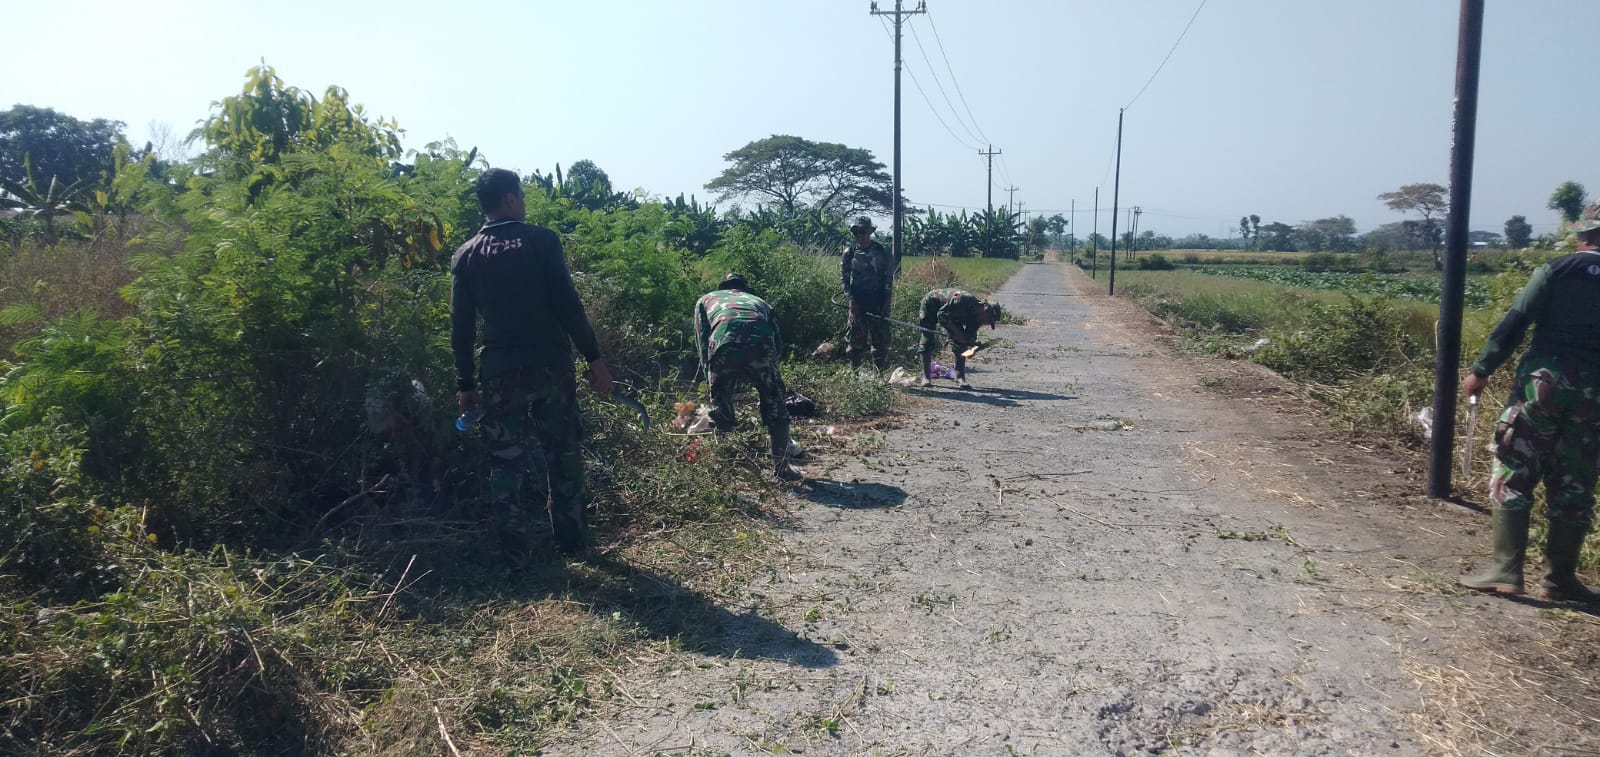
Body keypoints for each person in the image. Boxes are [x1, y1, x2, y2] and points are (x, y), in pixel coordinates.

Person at [451, 168, 614, 559]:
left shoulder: (466, 254)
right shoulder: (541, 240)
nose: (523, 202)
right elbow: (568, 305)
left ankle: (515, 555)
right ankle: (572, 545)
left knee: (505, 463)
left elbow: (461, 326)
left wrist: (465, 383)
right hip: (550, 367)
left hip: (498, 372)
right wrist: (594, 359)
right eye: (520, 195)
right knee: (562, 453)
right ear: (509, 199)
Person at [1458, 200, 1600, 603]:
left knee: (1515, 464)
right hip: (1596, 394)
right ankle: (1561, 580)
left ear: (1583, 234)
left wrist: (1480, 370)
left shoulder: (1557, 269)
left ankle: (1506, 570)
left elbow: (1516, 321)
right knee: (1576, 477)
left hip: (1545, 383)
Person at [694, 273, 805, 481]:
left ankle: (725, 471)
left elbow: (702, 339)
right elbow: (777, 340)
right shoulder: (760, 302)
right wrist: (768, 372)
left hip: (724, 344)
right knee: (774, 404)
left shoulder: (707, 298)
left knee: (722, 408)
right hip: (762, 344)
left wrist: (711, 374)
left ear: (724, 286)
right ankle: (782, 469)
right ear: (745, 289)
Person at [918, 288, 1002, 390]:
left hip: (951, 315)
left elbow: (968, 338)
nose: (986, 323)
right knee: (927, 339)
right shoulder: (963, 300)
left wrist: (970, 349)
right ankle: (926, 377)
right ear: (985, 309)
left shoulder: (978, 319)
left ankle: (960, 377)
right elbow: (942, 314)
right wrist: (957, 333)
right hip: (932, 304)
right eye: (988, 320)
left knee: (961, 343)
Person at [841, 216, 895, 372]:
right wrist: (852, 300)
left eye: (863, 231)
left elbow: (888, 278)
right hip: (858, 300)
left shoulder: (882, 251)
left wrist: (887, 302)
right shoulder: (849, 253)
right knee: (855, 343)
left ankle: (878, 375)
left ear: (870, 232)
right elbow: (844, 280)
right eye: (856, 232)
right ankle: (855, 374)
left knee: (880, 343)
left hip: (878, 300)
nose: (859, 235)